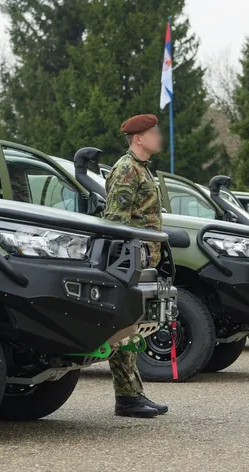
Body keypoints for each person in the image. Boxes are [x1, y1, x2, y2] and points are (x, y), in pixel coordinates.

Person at [103, 114, 169, 419]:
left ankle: (132, 393)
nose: (159, 137)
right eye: (153, 133)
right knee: (126, 329)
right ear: (138, 139)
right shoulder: (127, 170)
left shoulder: (142, 169)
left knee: (136, 329)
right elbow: (116, 221)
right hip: (132, 260)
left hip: (145, 259)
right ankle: (127, 397)